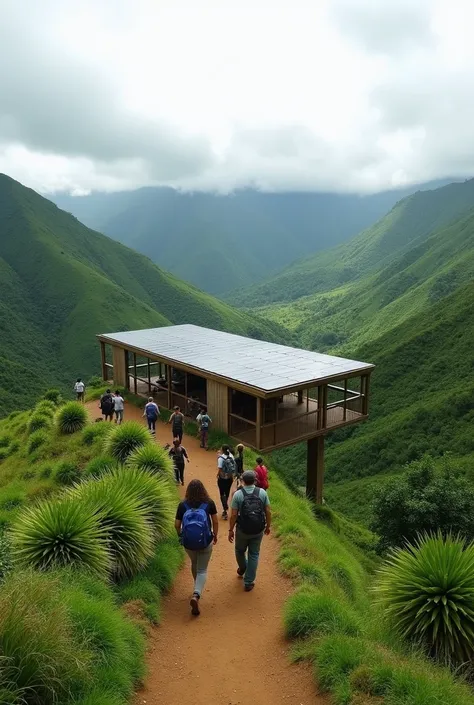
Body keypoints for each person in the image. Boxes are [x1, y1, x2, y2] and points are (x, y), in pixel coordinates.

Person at [175, 479, 218, 616]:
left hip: (189, 543)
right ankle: (196, 593)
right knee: (202, 569)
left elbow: (177, 524)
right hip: (205, 541)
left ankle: (196, 587)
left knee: (194, 563)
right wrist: (215, 535)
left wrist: (181, 536)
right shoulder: (209, 503)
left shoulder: (182, 505)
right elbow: (215, 521)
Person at [228, 470, 271, 592]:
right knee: (254, 554)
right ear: (255, 480)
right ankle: (248, 582)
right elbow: (268, 511)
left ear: (242, 480)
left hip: (243, 530)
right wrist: (268, 526)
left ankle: (243, 568)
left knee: (239, 550)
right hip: (258, 529)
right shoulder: (262, 493)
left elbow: (234, 515)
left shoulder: (238, 494)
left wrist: (231, 530)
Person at [216, 445, 236, 520]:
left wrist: (218, 475)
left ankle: (225, 508)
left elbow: (220, 469)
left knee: (222, 493)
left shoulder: (220, 458)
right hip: (229, 478)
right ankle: (225, 505)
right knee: (227, 492)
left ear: (222, 450)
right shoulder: (231, 456)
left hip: (222, 478)